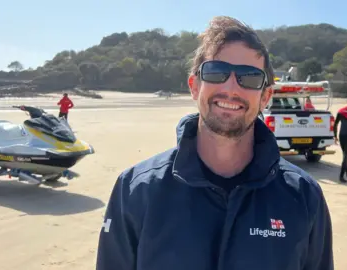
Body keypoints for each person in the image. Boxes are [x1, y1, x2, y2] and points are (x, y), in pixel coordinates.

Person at [96, 16, 334, 270]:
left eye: (250, 78)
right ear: (194, 86)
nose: (231, 88)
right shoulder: (136, 190)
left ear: (265, 96)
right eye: (216, 72)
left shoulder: (303, 196)